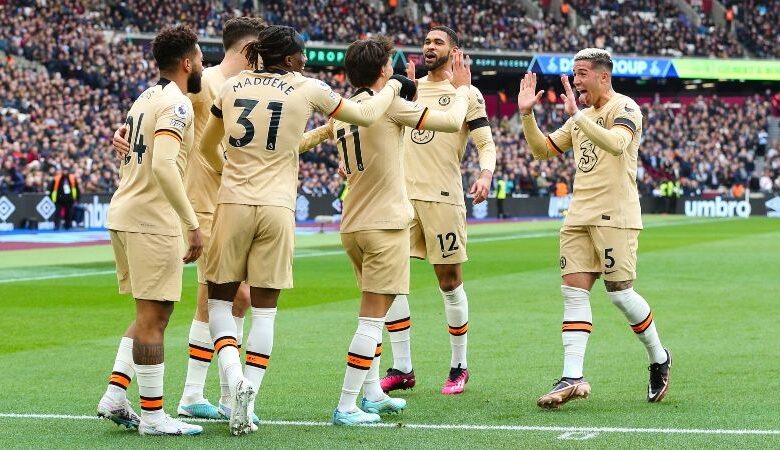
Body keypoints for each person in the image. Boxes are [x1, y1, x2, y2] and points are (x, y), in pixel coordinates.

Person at [196, 25, 408, 435]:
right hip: (277, 207)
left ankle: (232, 375)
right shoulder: (308, 88)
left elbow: (207, 148)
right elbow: (365, 114)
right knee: (265, 310)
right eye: (302, 55)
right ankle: (250, 398)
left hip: (234, 203)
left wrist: (232, 172)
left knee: (220, 303)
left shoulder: (233, 85)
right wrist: (395, 87)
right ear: (290, 58)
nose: (306, 60)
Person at [114, 17, 266, 423]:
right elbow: (165, 137)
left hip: (218, 205)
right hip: (193, 208)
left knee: (201, 303)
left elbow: (151, 114)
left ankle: (125, 395)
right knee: (213, 301)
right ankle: (190, 400)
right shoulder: (200, 87)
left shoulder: (240, 89)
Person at [319, 37, 473, 425]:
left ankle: (372, 395)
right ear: (384, 70)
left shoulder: (344, 110)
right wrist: (463, 88)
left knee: (380, 308)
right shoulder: (389, 106)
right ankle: (346, 404)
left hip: (351, 222)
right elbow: (452, 122)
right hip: (384, 224)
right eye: (390, 62)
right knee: (372, 318)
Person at [518, 48, 671, 409]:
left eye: (582, 73)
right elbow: (542, 150)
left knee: (619, 293)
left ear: (603, 76)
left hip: (615, 215)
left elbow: (618, 144)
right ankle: (573, 375)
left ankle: (659, 356)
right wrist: (527, 115)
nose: (575, 80)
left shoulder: (626, 108)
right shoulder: (579, 117)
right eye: (574, 73)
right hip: (578, 216)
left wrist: (577, 117)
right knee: (573, 293)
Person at [97, 25, 205, 436]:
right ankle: (155, 416)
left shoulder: (143, 98)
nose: (202, 65)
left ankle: (115, 394)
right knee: (156, 316)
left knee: (148, 313)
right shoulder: (177, 104)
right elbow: (162, 165)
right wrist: (192, 224)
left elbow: (131, 147)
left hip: (125, 213)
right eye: (200, 59)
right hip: (151, 219)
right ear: (186, 62)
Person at [380, 26, 496, 396]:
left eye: (437, 42)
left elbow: (485, 142)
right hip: (400, 198)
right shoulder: (407, 88)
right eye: (426, 42)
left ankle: (459, 366)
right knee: (391, 279)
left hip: (442, 197)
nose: (429, 47)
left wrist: (485, 173)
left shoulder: (467, 93)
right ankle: (402, 368)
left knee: (449, 281)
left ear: (454, 51)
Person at [49, 165, 79, 230]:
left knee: (69, 213)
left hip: (69, 199)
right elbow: (52, 189)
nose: (65, 172)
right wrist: (52, 198)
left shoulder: (72, 178)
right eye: (64, 170)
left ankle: (68, 226)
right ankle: (56, 226)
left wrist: (77, 199)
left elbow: (76, 189)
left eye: (66, 170)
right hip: (59, 199)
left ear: (68, 171)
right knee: (57, 213)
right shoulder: (57, 178)